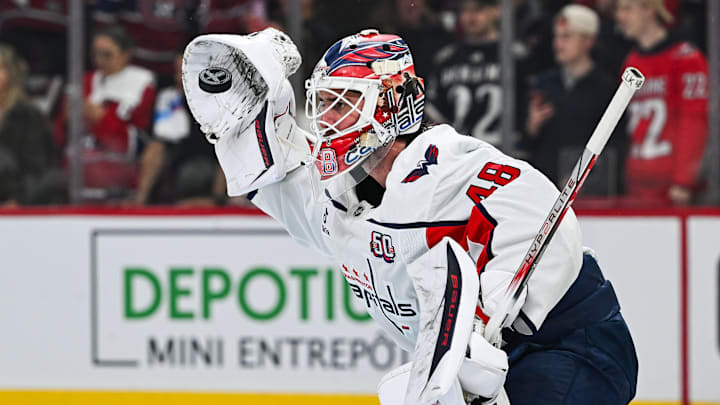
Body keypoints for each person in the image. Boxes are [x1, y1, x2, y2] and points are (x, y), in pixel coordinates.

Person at [184, 28, 637, 404]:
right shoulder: (338, 198)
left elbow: (544, 222)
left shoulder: (454, 168)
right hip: (475, 364)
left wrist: (486, 310)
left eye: (342, 103)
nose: (326, 120)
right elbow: (272, 172)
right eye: (322, 104)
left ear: (392, 104)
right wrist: (246, 115)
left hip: (567, 344)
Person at [524, 5, 626, 196]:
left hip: (592, 192)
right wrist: (532, 127)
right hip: (546, 190)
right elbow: (530, 143)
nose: (558, 43)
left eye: (567, 37)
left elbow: (615, 146)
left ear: (588, 41)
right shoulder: (542, 84)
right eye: (557, 36)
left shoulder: (607, 88)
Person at [616, 0, 708, 206]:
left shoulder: (686, 58)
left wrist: (684, 180)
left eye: (627, 9)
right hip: (636, 185)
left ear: (649, 10)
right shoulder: (631, 61)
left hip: (672, 190)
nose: (620, 17)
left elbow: (694, 121)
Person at [54, 25, 156, 202]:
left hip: (119, 166)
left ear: (126, 54)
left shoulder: (142, 84)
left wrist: (100, 117)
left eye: (107, 55)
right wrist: (66, 118)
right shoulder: (83, 82)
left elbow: (137, 138)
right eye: (95, 54)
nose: (99, 61)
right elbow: (61, 132)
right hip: (77, 165)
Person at [425, 0, 524, 149]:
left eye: (478, 9)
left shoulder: (517, 56)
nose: (470, 17)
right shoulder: (446, 59)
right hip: (459, 155)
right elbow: (434, 114)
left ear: (496, 11)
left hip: (505, 153)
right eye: (464, 10)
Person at [135, 51, 224, 206]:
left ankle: (218, 200)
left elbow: (227, 148)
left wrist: (218, 197)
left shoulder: (219, 104)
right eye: (177, 72)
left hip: (207, 166)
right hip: (178, 165)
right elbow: (158, 139)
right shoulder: (169, 99)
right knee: (155, 148)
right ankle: (139, 202)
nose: (179, 78)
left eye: (186, 72)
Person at [0, 44, 55, 204]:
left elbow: (40, 171)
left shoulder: (28, 116)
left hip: (17, 204)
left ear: (11, 75)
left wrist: (18, 201)